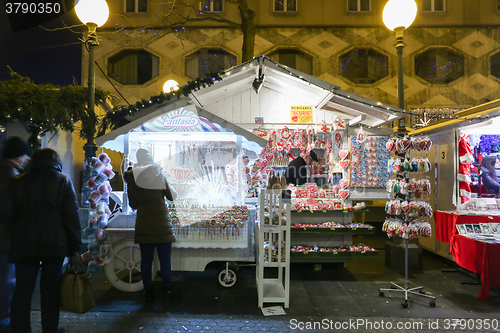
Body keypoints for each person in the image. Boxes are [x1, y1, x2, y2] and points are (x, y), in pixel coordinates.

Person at [3, 148, 81, 333]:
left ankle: (20, 329)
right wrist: (75, 247)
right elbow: (72, 218)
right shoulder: (63, 181)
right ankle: (50, 330)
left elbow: (6, 213)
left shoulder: (18, 182)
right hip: (54, 246)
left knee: (22, 291)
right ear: (56, 161)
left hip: (24, 244)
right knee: (50, 291)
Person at [124, 148, 178, 304]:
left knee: (146, 261)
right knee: (165, 261)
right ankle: (167, 291)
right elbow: (172, 196)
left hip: (144, 224)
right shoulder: (158, 175)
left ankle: (148, 293)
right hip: (162, 224)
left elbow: (133, 204)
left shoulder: (131, 179)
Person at [0, 137, 32, 332]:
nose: (27, 159)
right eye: (25, 155)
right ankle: (4, 321)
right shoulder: (11, 176)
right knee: (6, 281)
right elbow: (10, 210)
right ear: (18, 156)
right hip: (5, 238)